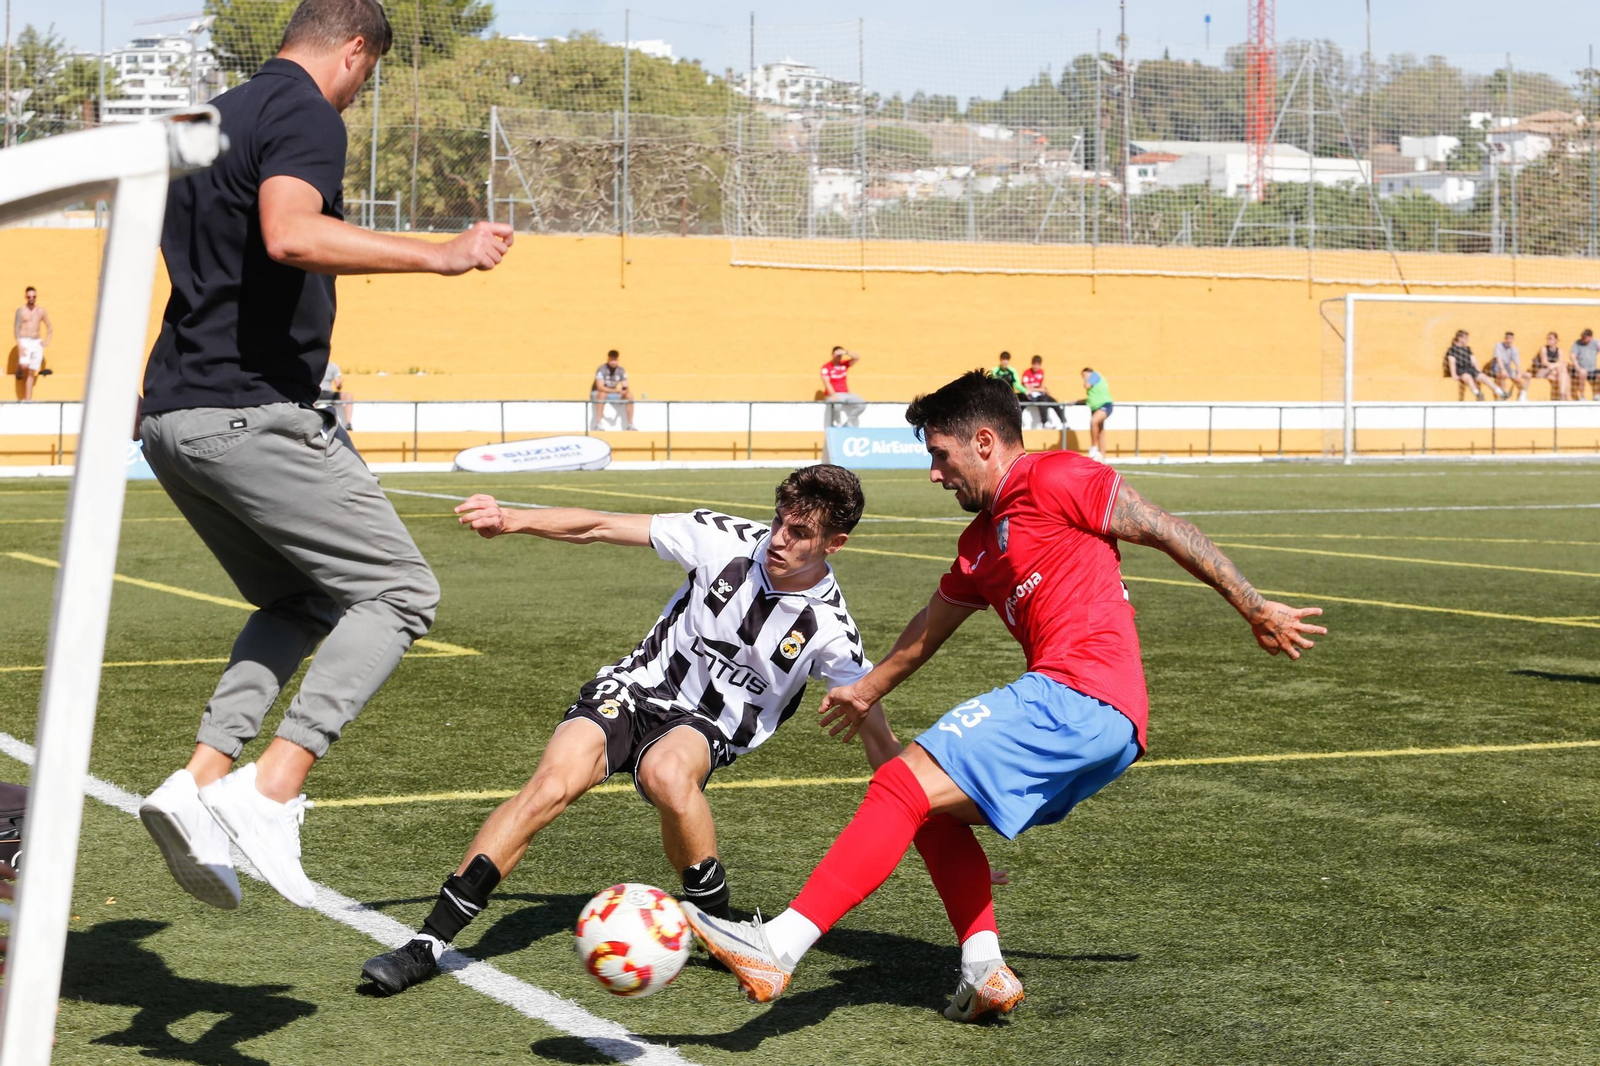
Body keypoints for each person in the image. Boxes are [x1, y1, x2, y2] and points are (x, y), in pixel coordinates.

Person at [679, 371, 1326, 1020]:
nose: (935, 474)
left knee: (900, 786)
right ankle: (984, 968)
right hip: (1106, 726)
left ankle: (779, 946)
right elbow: (928, 630)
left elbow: (1163, 526)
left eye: (940, 454)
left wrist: (1255, 606)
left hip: (1079, 694)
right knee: (927, 810)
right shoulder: (981, 542)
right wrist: (865, 689)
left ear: (984, 442)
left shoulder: (1056, 477)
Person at [135, 0, 514, 913]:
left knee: (298, 597)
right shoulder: (303, 110)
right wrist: (440, 255)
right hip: (248, 414)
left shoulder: (206, 119)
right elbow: (290, 233)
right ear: (353, 50)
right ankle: (271, 791)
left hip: (173, 417)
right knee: (400, 592)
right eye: (366, 76)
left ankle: (198, 779)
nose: (356, 95)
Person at [360, 466, 893, 993]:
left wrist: (906, 796)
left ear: (835, 542)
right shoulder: (721, 539)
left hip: (707, 723)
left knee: (667, 773)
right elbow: (599, 525)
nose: (779, 538)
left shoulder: (831, 630)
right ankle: (427, 943)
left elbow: (869, 716)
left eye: (799, 533)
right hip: (635, 688)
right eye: (778, 520)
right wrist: (511, 519)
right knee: (549, 787)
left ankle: (719, 924)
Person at [1443, 330, 1506, 401]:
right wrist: (1454, 375)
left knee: (1485, 378)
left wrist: (1478, 371)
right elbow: (1452, 361)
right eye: (1465, 338)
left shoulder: (1467, 349)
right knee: (1468, 378)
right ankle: (1478, 394)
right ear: (1459, 338)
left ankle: (1501, 393)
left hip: (1470, 369)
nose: (1467, 340)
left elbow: (1474, 361)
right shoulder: (1452, 349)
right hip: (1460, 370)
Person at [12, 286, 51, 401]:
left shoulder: (41, 311)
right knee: (25, 366)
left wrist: (46, 341)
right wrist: (19, 346)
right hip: (24, 340)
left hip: (36, 341)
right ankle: (19, 367)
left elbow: (49, 327)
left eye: (33, 296)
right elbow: (16, 329)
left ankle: (28, 399)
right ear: (25, 297)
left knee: (31, 372)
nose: (31, 298)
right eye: (29, 296)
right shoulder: (21, 311)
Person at [820, 346, 866, 427]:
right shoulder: (827, 367)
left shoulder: (844, 365)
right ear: (832, 355)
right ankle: (837, 424)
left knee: (861, 404)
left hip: (846, 393)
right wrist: (833, 394)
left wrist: (846, 352)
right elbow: (826, 382)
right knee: (836, 405)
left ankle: (849, 422)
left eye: (840, 355)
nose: (839, 357)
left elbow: (857, 357)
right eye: (837, 355)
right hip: (834, 394)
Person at [592, 349, 636, 430]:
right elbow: (600, 387)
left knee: (629, 395)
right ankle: (598, 424)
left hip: (613, 394)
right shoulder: (602, 369)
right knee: (602, 394)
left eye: (615, 360)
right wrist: (617, 391)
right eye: (611, 360)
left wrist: (624, 391)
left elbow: (626, 385)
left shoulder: (621, 370)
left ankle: (630, 424)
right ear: (608, 359)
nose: (613, 362)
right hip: (600, 394)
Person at [1078, 366, 1114, 461]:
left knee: (1094, 421)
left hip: (1105, 405)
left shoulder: (1094, 375)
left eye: (1084, 375)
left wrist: (1086, 379)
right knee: (1100, 431)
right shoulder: (1094, 385)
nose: (1084, 378)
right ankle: (1103, 456)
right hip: (1096, 407)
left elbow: (1087, 385)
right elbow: (1091, 399)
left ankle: (1093, 447)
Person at [1020, 355, 1065, 428]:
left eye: (1038, 364)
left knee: (1054, 402)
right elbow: (1027, 387)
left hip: (1039, 394)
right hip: (1030, 396)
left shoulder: (1041, 372)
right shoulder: (1027, 372)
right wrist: (1038, 389)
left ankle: (1064, 422)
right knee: (1042, 400)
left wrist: (1042, 390)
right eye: (1035, 364)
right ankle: (1044, 422)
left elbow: (1042, 386)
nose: (1036, 366)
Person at [1487, 332, 1530, 402]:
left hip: (1508, 370)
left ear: (1513, 340)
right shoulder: (1499, 345)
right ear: (1505, 339)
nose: (1509, 340)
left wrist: (1519, 373)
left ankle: (1522, 395)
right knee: (1503, 374)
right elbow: (1498, 359)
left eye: (1511, 339)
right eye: (1508, 338)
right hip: (1497, 369)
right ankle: (1503, 397)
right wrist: (1503, 369)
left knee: (1528, 375)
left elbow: (1517, 363)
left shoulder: (1513, 349)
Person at [1530, 332, 1571, 401]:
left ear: (1556, 340)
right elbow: (1545, 362)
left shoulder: (1559, 350)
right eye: (1548, 339)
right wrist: (1556, 365)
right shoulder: (1544, 349)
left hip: (1552, 372)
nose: (1548, 340)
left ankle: (1562, 395)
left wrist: (1554, 366)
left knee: (1564, 373)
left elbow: (1560, 362)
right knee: (1565, 375)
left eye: (1550, 339)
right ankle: (1566, 397)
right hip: (1542, 371)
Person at [319, 359, 353, 429]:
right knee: (307, 396)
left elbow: (337, 385)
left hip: (328, 392)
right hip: (316, 391)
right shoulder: (313, 364)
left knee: (348, 396)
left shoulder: (333, 366)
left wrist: (339, 385)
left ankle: (348, 423)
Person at [1570, 328, 1599, 401]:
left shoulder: (1595, 342)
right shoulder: (1577, 343)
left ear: (1590, 337)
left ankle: (1597, 394)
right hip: (1581, 369)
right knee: (1583, 372)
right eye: (1582, 337)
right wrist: (1577, 366)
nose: (1583, 339)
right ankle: (1582, 396)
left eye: (1585, 337)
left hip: (1592, 369)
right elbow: (1572, 355)